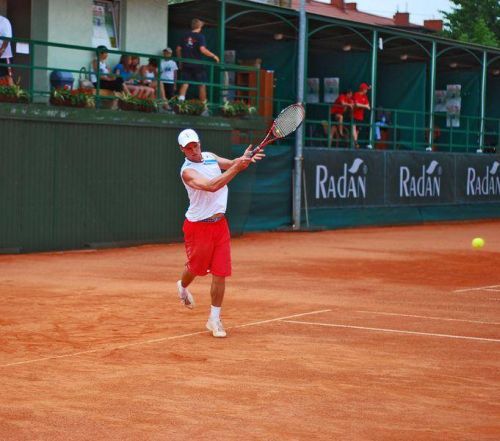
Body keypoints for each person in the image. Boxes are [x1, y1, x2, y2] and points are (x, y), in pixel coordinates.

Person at [176, 128, 265, 338]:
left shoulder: (210, 157)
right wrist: (237, 168)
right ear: (182, 150)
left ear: (199, 143)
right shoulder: (187, 171)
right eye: (188, 148)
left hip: (220, 225)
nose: (193, 150)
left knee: (220, 272)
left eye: (195, 145)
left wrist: (244, 158)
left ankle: (214, 319)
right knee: (196, 269)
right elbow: (211, 186)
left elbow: (230, 163)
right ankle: (182, 286)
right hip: (198, 227)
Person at [176, 18, 219, 103]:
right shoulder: (200, 36)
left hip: (186, 63)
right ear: (200, 26)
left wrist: (180, 61)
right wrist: (214, 56)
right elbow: (203, 50)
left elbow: (178, 49)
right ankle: (203, 106)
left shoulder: (184, 35)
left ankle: (180, 103)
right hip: (197, 64)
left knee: (185, 83)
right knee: (202, 85)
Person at [352, 83, 371, 148]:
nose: (367, 91)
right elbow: (356, 104)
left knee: (357, 131)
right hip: (353, 115)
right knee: (353, 127)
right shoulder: (356, 94)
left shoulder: (365, 96)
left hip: (360, 116)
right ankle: (355, 143)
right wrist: (364, 106)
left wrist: (364, 105)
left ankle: (355, 144)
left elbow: (368, 106)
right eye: (366, 89)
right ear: (363, 89)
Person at [0, 14, 13, 86]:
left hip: (4, 56)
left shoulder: (3, 21)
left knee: (7, 78)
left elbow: (7, 40)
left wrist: (1, 51)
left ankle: (14, 95)